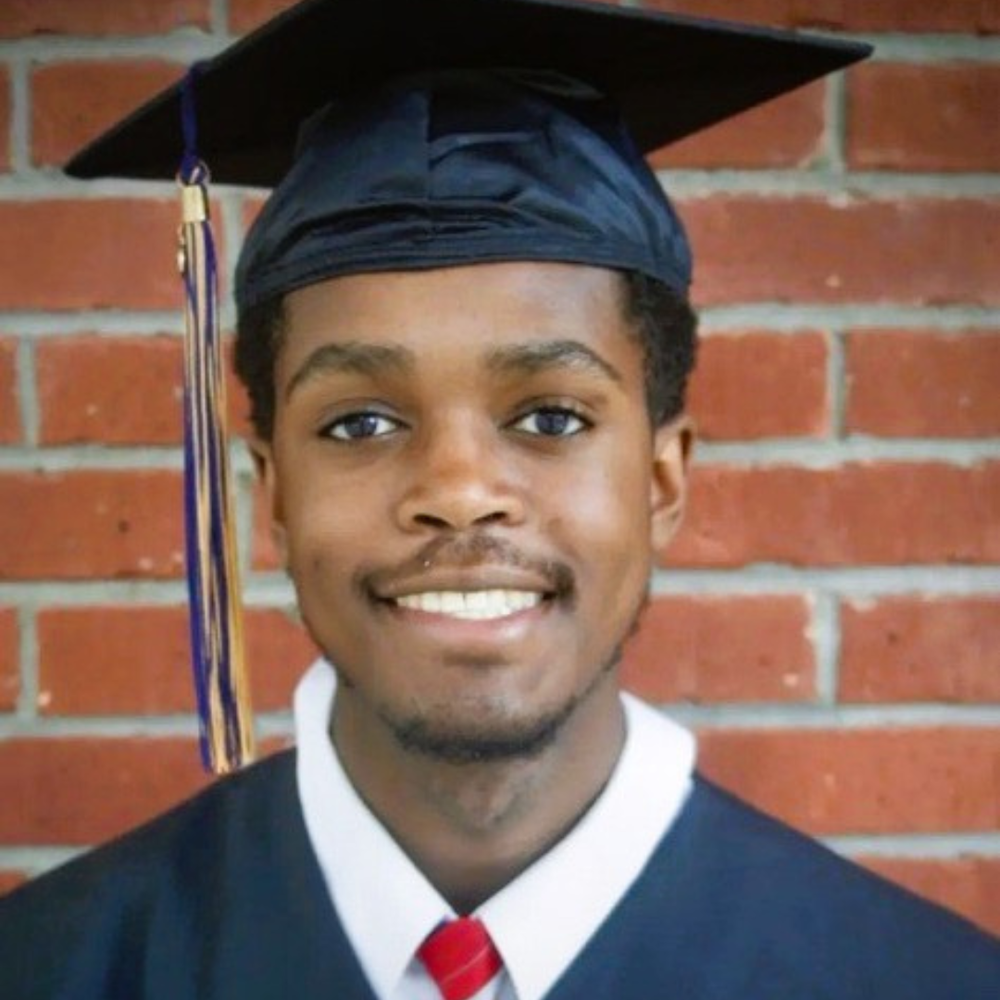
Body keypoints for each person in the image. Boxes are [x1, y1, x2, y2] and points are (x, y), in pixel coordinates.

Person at [1, 0, 998, 997]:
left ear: (661, 482)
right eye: (360, 423)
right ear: (275, 498)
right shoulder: (51, 968)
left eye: (551, 417)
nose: (460, 492)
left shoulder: (920, 981)